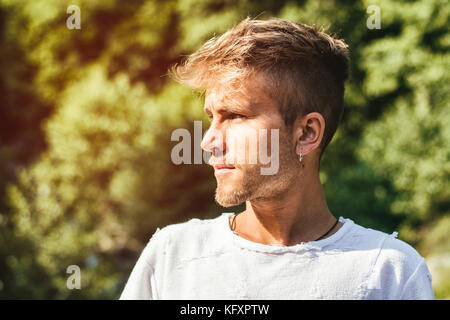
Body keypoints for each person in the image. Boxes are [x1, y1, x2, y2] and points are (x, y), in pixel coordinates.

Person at [120, 17, 434, 300]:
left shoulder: (390, 271)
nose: (208, 141)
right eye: (212, 117)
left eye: (235, 115)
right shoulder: (172, 257)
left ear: (307, 133)